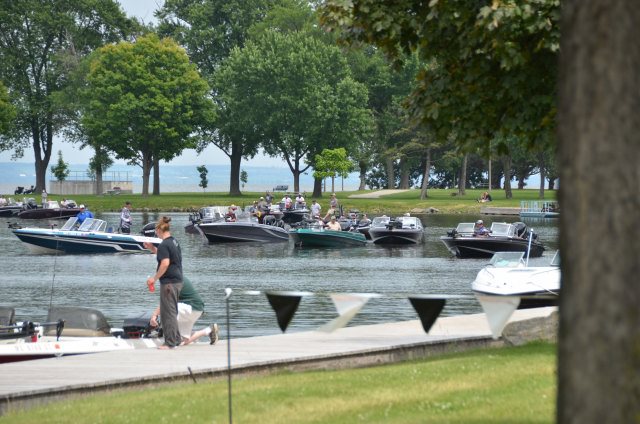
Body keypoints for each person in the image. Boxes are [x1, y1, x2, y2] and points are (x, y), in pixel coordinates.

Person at [144, 216, 183, 349]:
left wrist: (154, 279)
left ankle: (170, 342)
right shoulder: (174, 242)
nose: (156, 234)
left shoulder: (164, 244)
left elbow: (165, 263)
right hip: (177, 281)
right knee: (172, 311)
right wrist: (152, 248)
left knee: (168, 313)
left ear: (160, 230)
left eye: (156, 231)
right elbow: (165, 256)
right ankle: (176, 339)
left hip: (169, 283)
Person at [149, 276, 219, 346]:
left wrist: (154, 316)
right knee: (182, 341)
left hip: (192, 307)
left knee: (167, 312)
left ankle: (168, 335)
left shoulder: (174, 281)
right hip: (194, 308)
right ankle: (209, 330)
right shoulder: (175, 277)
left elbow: (166, 303)